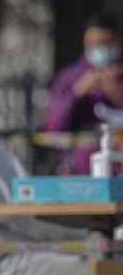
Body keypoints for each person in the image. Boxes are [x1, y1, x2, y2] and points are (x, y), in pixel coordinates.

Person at [44, 14, 123, 173]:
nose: (99, 49)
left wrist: (118, 95)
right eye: (93, 44)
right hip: (78, 171)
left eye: (105, 43)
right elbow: (54, 127)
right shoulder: (70, 77)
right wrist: (77, 94)